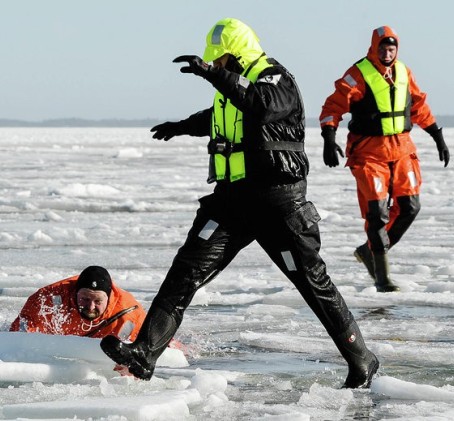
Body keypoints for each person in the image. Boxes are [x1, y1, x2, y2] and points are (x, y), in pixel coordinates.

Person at [100, 17, 378, 388]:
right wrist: (179, 126)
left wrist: (213, 76)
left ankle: (362, 359)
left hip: (278, 202)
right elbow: (220, 116)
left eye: (220, 60)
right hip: (231, 201)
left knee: (311, 282)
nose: (216, 66)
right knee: (185, 271)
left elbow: (260, 105)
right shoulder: (231, 85)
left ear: (237, 54)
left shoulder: (277, 79)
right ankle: (145, 354)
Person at [319, 25, 450, 293]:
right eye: (382, 48)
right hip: (369, 153)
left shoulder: (403, 72)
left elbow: (418, 106)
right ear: (374, 47)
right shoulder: (358, 74)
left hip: (402, 149)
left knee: (410, 207)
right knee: (377, 214)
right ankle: (382, 278)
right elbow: (333, 106)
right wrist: (328, 139)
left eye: (391, 48)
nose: (387, 53)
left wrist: (437, 136)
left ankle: (369, 251)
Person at [10, 266, 147, 341]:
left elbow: (153, 344)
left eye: (98, 301)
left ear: (109, 297)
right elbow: (20, 338)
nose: (91, 307)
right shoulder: (50, 299)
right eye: (85, 299)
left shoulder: (129, 313)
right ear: (75, 293)